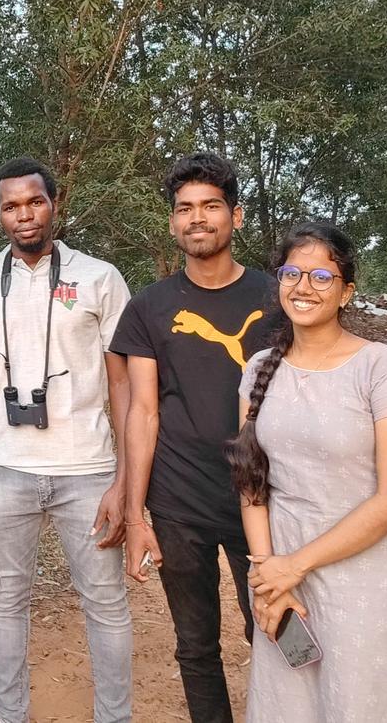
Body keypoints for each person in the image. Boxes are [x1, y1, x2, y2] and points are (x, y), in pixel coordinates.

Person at [226, 222, 387, 723]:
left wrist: (293, 565)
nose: (304, 287)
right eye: (291, 273)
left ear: (347, 291)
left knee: (365, 703)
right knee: (291, 704)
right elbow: (251, 481)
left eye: (322, 275)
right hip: (284, 576)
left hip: (369, 576)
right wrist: (266, 573)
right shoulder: (259, 368)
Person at [0, 157, 133, 723]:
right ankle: (11, 717)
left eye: (35, 202)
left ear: (55, 204)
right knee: (4, 604)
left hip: (89, 469)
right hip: (3, 468)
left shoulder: (100, 277)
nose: (24, 215)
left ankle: (114, 717)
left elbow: (123, 382)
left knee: (105, 604)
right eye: (11, 206)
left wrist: (126, 481)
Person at [108, 152, 273, 723]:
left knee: (275, 632)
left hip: (266, 499)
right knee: (196, 647)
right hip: (179, 504)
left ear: (237, 216)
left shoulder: (278, 299)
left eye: (210, 206)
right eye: (185, 209)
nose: (197, 218)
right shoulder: (149, 308)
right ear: (173, 222)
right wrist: (135, 518)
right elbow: (142, 413)